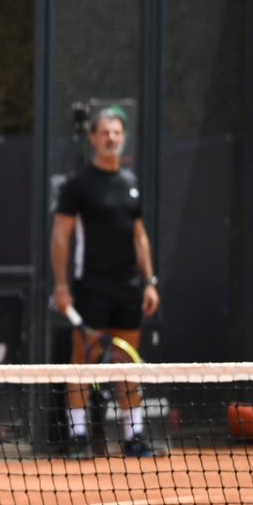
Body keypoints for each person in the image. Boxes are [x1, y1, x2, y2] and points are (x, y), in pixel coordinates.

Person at [50, 106, 161, 457]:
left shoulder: (130, 184)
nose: (111, 138)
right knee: (82, 361)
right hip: (91, 287)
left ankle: (134, 437)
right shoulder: (78, 185)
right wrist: (62, 286)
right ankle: (79, 437)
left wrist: (149, 281)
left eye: (117, 132)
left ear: (122, 137)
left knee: (129, 361)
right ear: (93, 138)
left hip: (128, 289)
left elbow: (140, 236)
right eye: (105, 133)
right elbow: (60, 236)